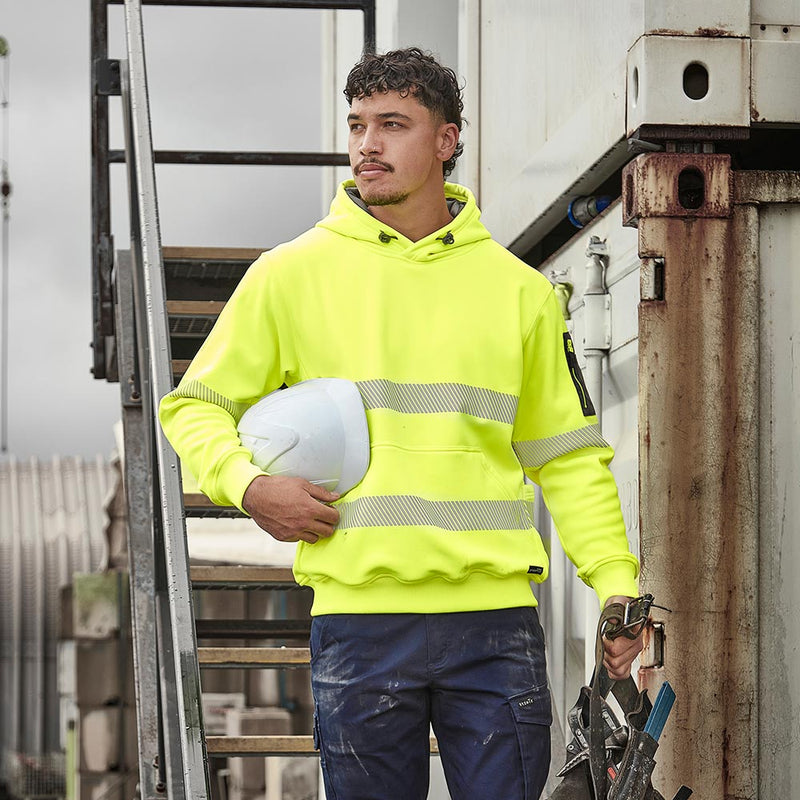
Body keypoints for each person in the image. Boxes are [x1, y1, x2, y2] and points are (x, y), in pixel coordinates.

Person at [159, 47, 643, 800]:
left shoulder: (519, 294)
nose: (366, 146)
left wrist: (616, 582)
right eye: (357, 125)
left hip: (493, 624)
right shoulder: (291, 275)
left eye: (392, 124)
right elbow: (195, 406)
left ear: (447, 140)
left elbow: (569, 458)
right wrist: (251, 489)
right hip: (360, 621)